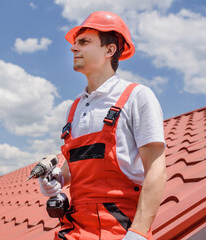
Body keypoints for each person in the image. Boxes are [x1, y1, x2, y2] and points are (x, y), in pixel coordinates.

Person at [38, 11, 167, 240]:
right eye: (75, 43)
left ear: (110, 50)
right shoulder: (74, 107)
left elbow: (156, 170)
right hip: (75, 226)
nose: (73, 48)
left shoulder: (137, 97)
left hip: (119, 227)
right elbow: (78, 165)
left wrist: (138, 232)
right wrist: (58, 179)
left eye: (84, 42)